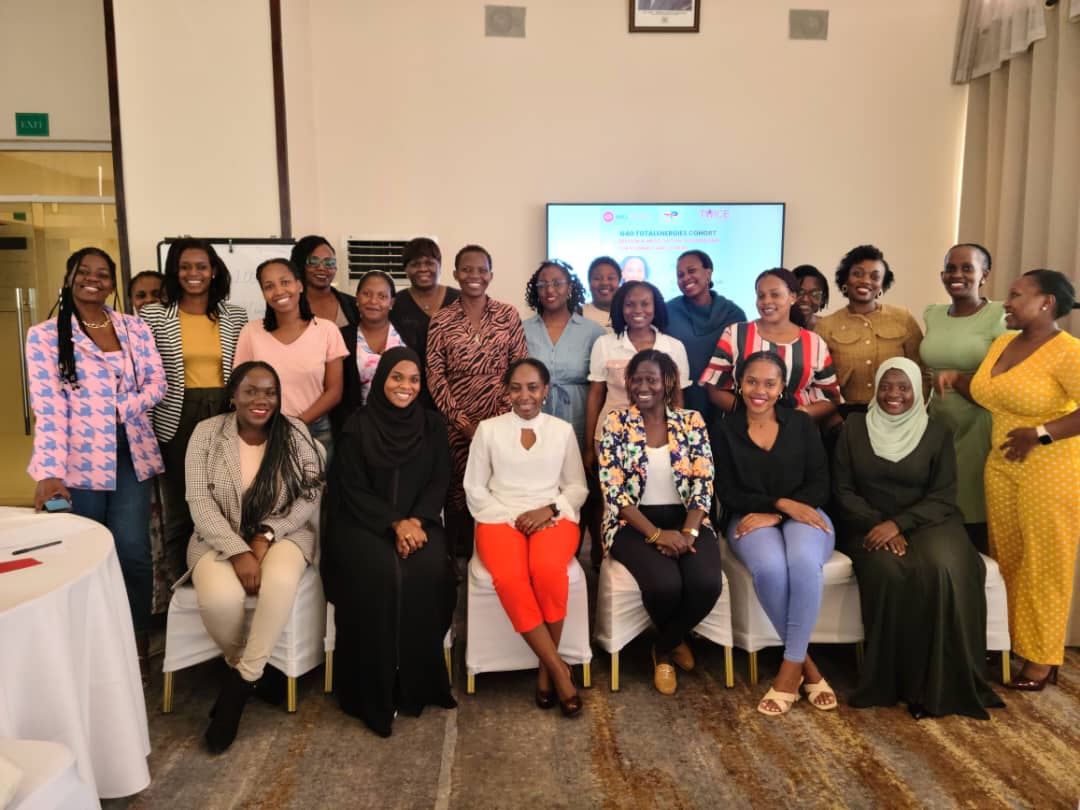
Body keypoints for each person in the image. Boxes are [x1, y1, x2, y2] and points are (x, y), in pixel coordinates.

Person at [833, 357, 1004, 719]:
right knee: (890, 571)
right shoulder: (853, 428)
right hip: (867, 523)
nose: (893, 394)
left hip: (930, 520)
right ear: (876, 389)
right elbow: (843, 491)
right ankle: (901, 684)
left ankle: (947, 686)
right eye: (886, 386)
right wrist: (880, 524)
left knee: (944, 570)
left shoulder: (937, 431)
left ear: (919, 391)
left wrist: (899, 524)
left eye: (904, 387)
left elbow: (943, 495)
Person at [27, 247, 167, 682]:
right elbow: (48, 408)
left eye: (103, 274)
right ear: (68, 278)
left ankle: (137, 642)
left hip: (130, 452)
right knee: (84, 552)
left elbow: (157, 383)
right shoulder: (44, 336)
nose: (93, 279)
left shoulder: (133, 327)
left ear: (112, 283)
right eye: (83, 272)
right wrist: (48, 472)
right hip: (78, 459)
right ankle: (88, 647)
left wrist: (116, 408)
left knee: (132, 551)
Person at [183, 361, 324, 753]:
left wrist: (266, 534)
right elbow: (199, 501)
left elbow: (311, 493)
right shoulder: (207, 433)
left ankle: (239, 688)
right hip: (217, 537)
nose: (261, 400)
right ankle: (253, 672)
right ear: (233, 395)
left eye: (270, 392)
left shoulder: (294, 432)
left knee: (278, 583)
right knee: (220, 600)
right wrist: (238, 550)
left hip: (284, 533)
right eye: (251, 391)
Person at [323, 347, 457, 737]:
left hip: (420, 522)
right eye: (397, 377)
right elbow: (351, 488)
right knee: (381, 574)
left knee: (429, 570)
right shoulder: (357, 425)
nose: (406, 386)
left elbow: (439, 479)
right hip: (363, 524)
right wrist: (395, 523)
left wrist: (415, 521)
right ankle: (373, 688)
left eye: (414, 380)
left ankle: (417, 683)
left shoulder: (431, 425)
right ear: (381, 378)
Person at [970, 269, 1080, 690]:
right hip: (1001, 465)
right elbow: (990, 393)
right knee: (1009, 560)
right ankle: (1014, 642)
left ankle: (1042, 658)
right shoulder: (1003, 343)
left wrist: (1041, 433)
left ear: (1046, 302)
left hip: (1050, 468)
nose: (1006, 302)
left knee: (1045, 563)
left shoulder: (1067, 351)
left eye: (1016, 295)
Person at [713, 351, 837, 716]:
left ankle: (788, 673)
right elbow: (728, 491)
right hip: (751, 516)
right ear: (739, 383)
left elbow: (820, 482)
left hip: (806, 512)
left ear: (783, 387)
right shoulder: (724, 430)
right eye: (752, 381)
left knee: (803, 563)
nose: (760, 391)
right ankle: (805, 665)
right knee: (769, 569)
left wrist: (783, 511)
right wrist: (777, 505)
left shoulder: (800, 424)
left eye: (770, 383)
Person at [464, 359, 587, 715]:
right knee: (509, 577)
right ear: (506, 391)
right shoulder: (488, 430)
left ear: (545, 390)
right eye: (516, 388)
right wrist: (514, 518)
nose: (524, 396)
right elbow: (474, 488)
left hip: (553, 516)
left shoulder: (562, 430)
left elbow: (577, 487)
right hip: (498, 517)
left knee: (547, 570)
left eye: (533, 387)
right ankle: (558, 670)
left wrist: (549, 509)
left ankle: (545, 671)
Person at [598, 350, 721, 695]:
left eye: (651, 379)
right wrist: (656, 535)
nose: (643, 386)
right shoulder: (616, 423)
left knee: (706, 584)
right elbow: (614, 491)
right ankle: (667, 654)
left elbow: (703, 481)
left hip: (686, 518)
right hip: (632, 524)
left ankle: (664, 643)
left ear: (668, 382)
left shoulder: (691, 421)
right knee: (665, 585)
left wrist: (688, 532)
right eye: (636, 379)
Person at [140, 238, 248, 580]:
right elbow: (145, 374)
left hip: (225, 414)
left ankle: (223, 582)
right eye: (185, 266)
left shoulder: (235, 315)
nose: (193, 273)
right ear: (174, 272)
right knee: (181, 509)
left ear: (213, 270)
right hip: (176, 416)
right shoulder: (154, 315)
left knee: (228, 502)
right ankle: (182, 588)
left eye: (201, 266)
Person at [426, 244, 528, 552]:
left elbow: (519, 367)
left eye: (482, 270)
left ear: (491, 275)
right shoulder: (441, 319)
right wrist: (462, 423)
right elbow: (435, 374)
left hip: (502, 421)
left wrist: (497, 421)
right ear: (456, 274)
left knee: (500, 485)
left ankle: (498, 551)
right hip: (456, 424)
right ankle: (458, 557)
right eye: (467, 269)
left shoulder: (508, 315)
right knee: (458, 491)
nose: (475, 275)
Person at [920, 244, 1006, 552]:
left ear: (984, 275)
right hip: (938, 421)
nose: (957, 275)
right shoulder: (933, 314)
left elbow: (1005, 382)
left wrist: (958, 378)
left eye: (967, 268)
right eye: (950, 268)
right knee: (939, 510)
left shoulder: (999, 315)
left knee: (974, 516)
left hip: (979, 423)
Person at [234, 258, 347, 454]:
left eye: (285, 282)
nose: (279, 291)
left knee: (316, 477)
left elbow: (334, 391)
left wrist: (296, 425)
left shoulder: (327, 330)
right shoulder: (250, 332)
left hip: (315, 430)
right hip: (264, 430)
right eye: (269, 286)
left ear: (300, 285)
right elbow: (241, 387)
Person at [701, 269, 841, 424]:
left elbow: (830, 397)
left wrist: (799, 415)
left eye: (775, 294)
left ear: (793, 297)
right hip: (741, 428)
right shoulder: (735, 333)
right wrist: (749, 414)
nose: (766, 301)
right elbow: (714, 387)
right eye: (761, 295)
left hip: (795, 429)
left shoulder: (815, 343)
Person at [585, 281, 691, 457]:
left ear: (656, 307)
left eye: (645, 303)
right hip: (612, 435)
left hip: (661, 440)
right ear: (620, 307)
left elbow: (677, 399)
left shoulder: (674, 347)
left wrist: (677, 438)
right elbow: (595, 396)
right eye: (630, 304)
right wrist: (588, 447)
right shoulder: (604, 344)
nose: (637, 310)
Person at [814, 245, 924, 414]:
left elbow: (922, 370)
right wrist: (833, 419)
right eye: (857, 274)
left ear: (882, 285)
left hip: (897, 413)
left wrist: (913, 410)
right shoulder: (826, 326)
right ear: (845, 279)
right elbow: (818, 382)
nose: (865, 281)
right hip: (846, 415)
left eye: (875, 277)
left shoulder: (903, 318)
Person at [522, 260, 605, 446]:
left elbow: (600, 389)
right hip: (534, 422)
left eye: (557, 283)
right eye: (542, 284)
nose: (550, 289)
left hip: (578, 421)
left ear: (569, 288)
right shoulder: (522, 330)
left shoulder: (593, 332)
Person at [665, 249, 746, 418]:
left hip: (723, 404)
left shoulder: (733, 314)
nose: (686, 278)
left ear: (708, 273)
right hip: (679, 401)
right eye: (680, 275)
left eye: (691, 271)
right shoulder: (668, 312)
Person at [331, 271, 406, 434]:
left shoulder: (408, 335)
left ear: (391, 302)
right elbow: (337, 393)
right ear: (357, 297)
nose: (373, 301)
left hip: (401, 426)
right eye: (366, 294)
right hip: (357, 429)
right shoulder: (341, 337)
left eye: (382, 296)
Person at [389, 237, 460, 404]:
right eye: (415, 264)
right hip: (411, 392)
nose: (422, 269)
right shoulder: (395, 304)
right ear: (406, 269)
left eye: (429, 263)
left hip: (456, 393)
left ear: (439, 265)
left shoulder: (459, 300)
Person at [290, 235, 359, 327]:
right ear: (300, 265)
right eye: (314, 261)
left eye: (329, 262)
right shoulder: (289, 306)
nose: (322, 268)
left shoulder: (354, 305)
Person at [582, 256, 621, 332]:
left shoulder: (629, 314)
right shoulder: (578, 315)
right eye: (597, 278)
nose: (604, 283)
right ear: (589, 284)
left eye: (610, 278)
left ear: (619, 283)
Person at [792, 264, 829, 332]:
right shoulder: (776, 326)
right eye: (799, 292)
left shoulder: (828, 329)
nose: (805, 299)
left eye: (814, 293)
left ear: (822, 299)